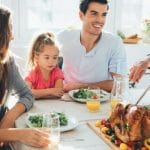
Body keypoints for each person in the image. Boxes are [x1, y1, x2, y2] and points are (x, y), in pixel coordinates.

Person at [0, 6, 50, 149]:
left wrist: (9, 117)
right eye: (9, 30)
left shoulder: (8, 62)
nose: (12, 36)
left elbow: (27, 94)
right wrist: (17, 134)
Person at [57, 0, 127, 92]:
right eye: (94, 14)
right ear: (81, 15)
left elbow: (120, 84)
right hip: (66, 98)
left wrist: (81, 86)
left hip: (99, 101)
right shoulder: (63, 37)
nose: (100, 20)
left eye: (104, 15)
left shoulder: (114, 43)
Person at [25, 32, 64, 99]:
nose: (51, 61)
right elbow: (27, 93)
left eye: (55, 57)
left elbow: (59, 92)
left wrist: (37, 94)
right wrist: (50, 91)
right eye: (47, 57)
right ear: (37, 58)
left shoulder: (57, 72)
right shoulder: (33, 73)